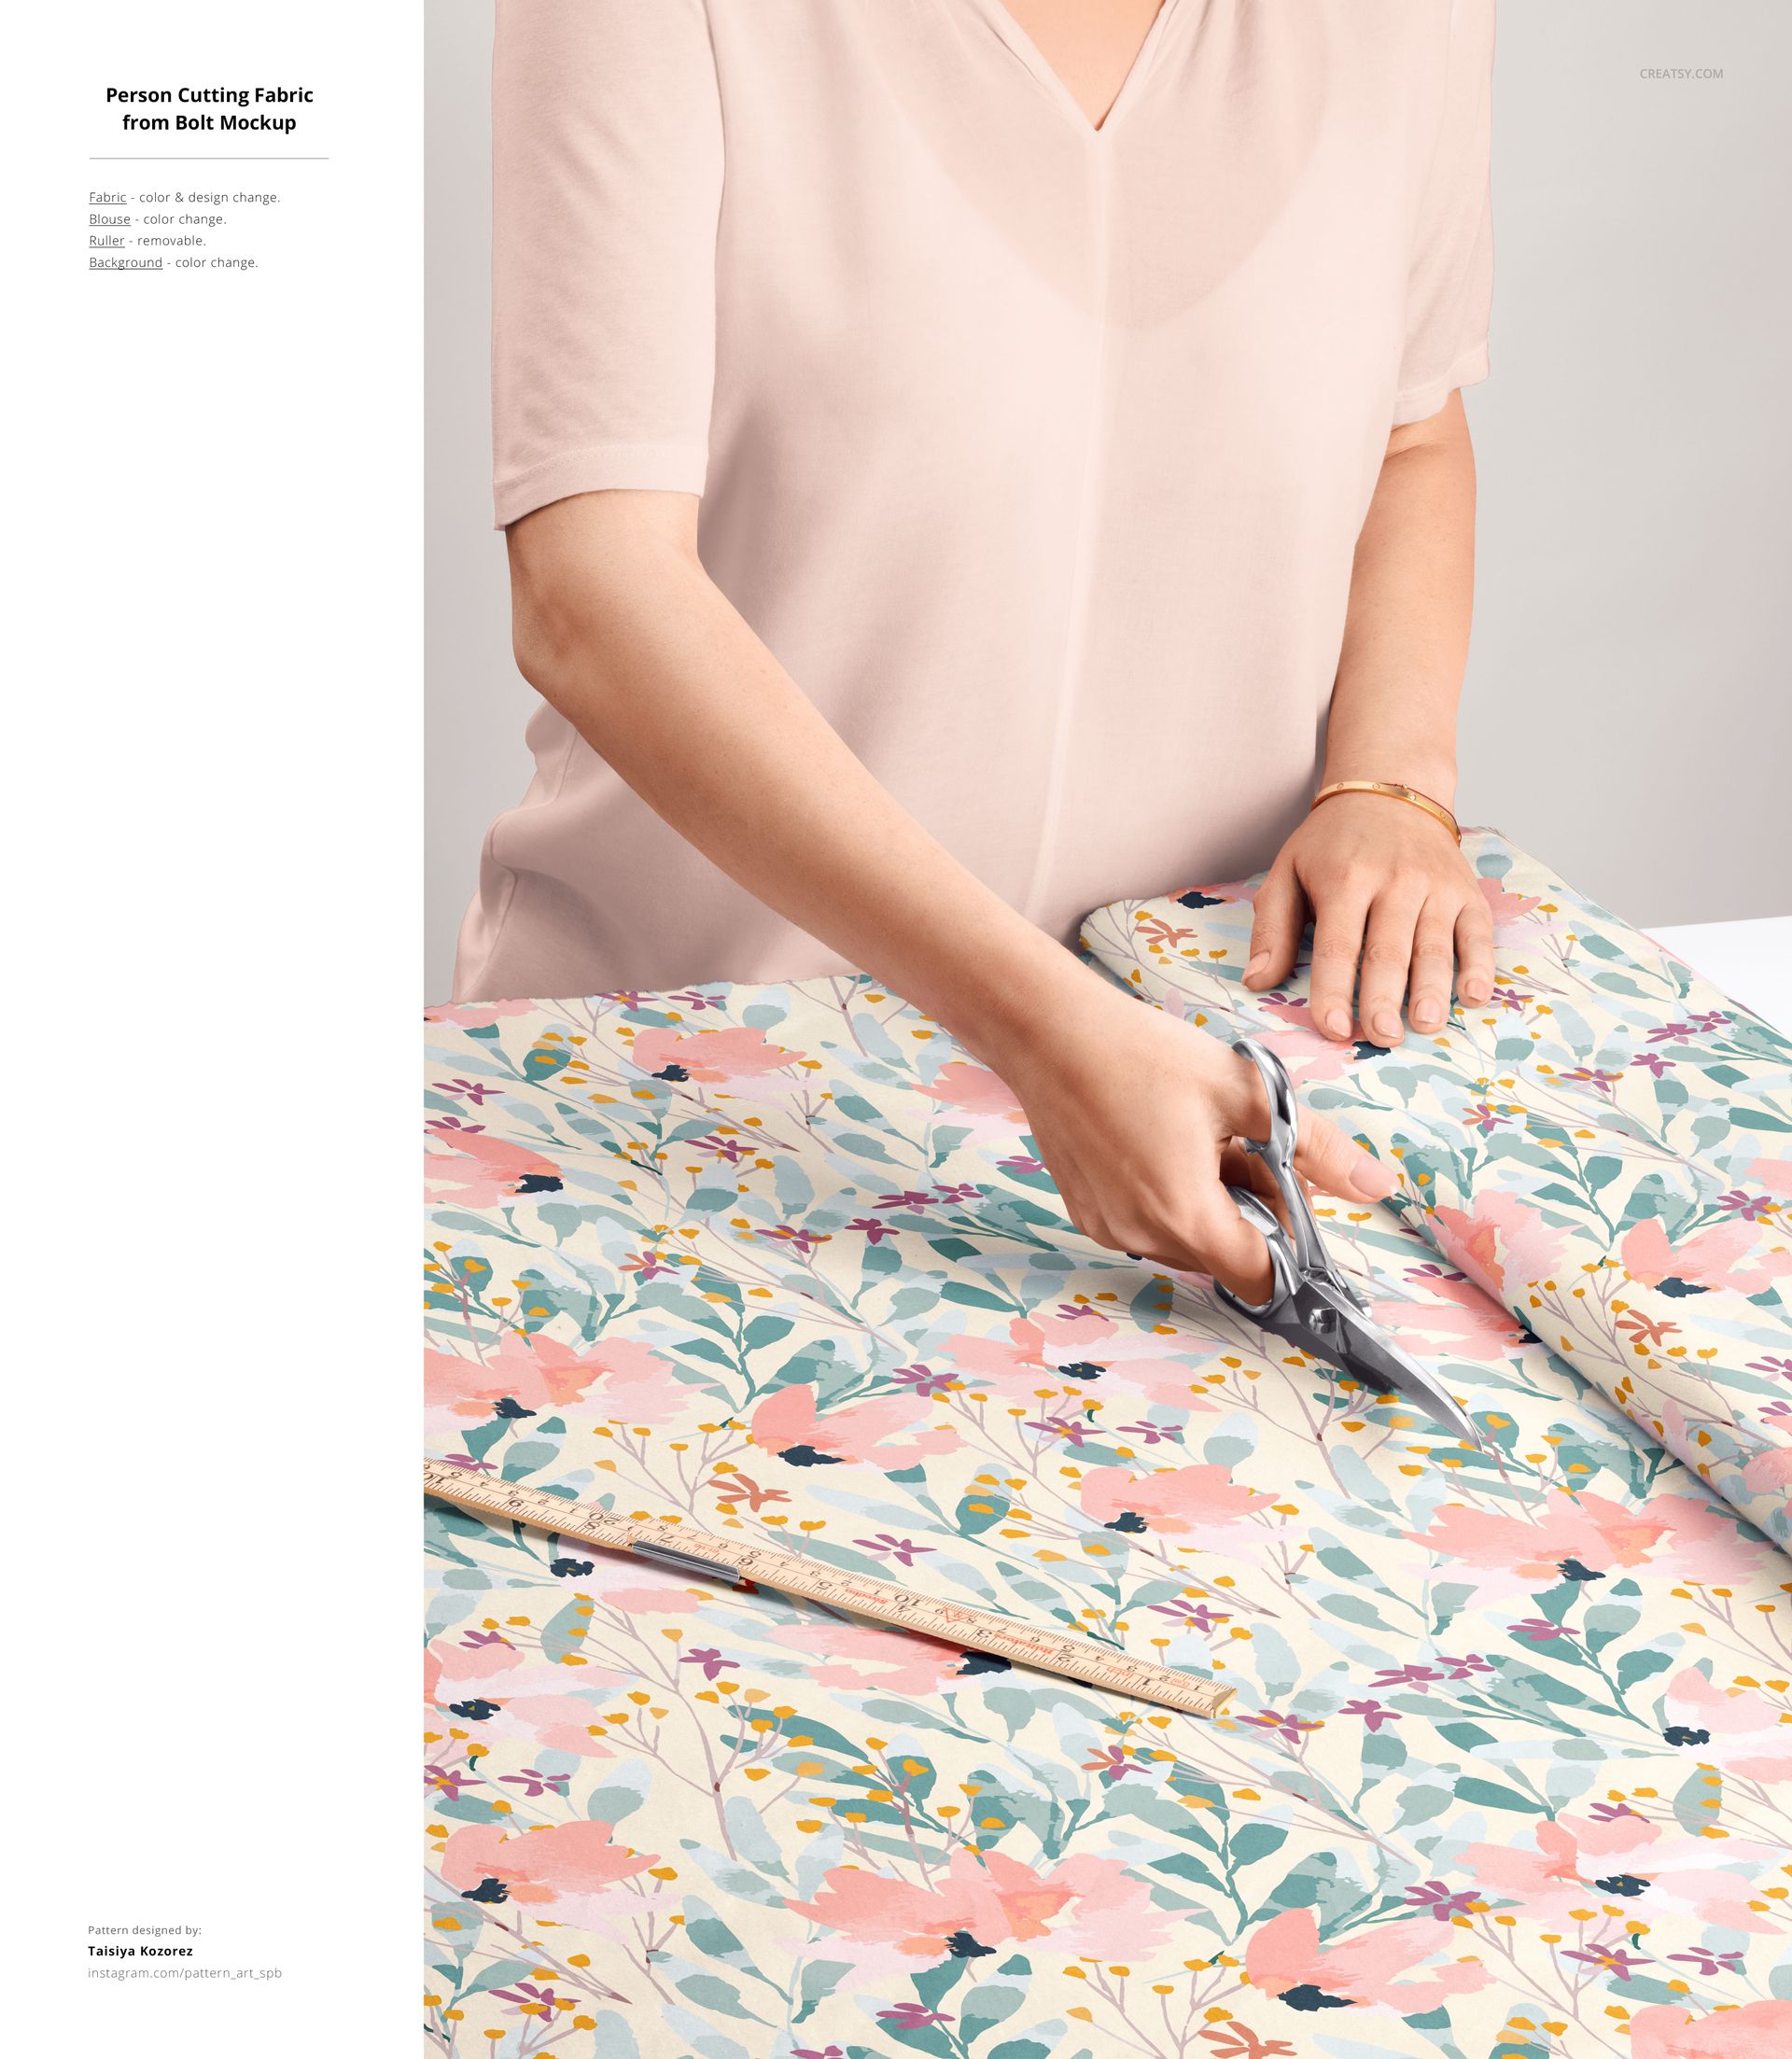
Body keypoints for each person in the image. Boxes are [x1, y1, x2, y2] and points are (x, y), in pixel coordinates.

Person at [455, 0, 1499, 1302]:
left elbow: (1411, 429)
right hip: (690, 1122)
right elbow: (590, 586)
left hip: (1211, 1131)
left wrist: (1392, 781)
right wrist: (1045, 1032)